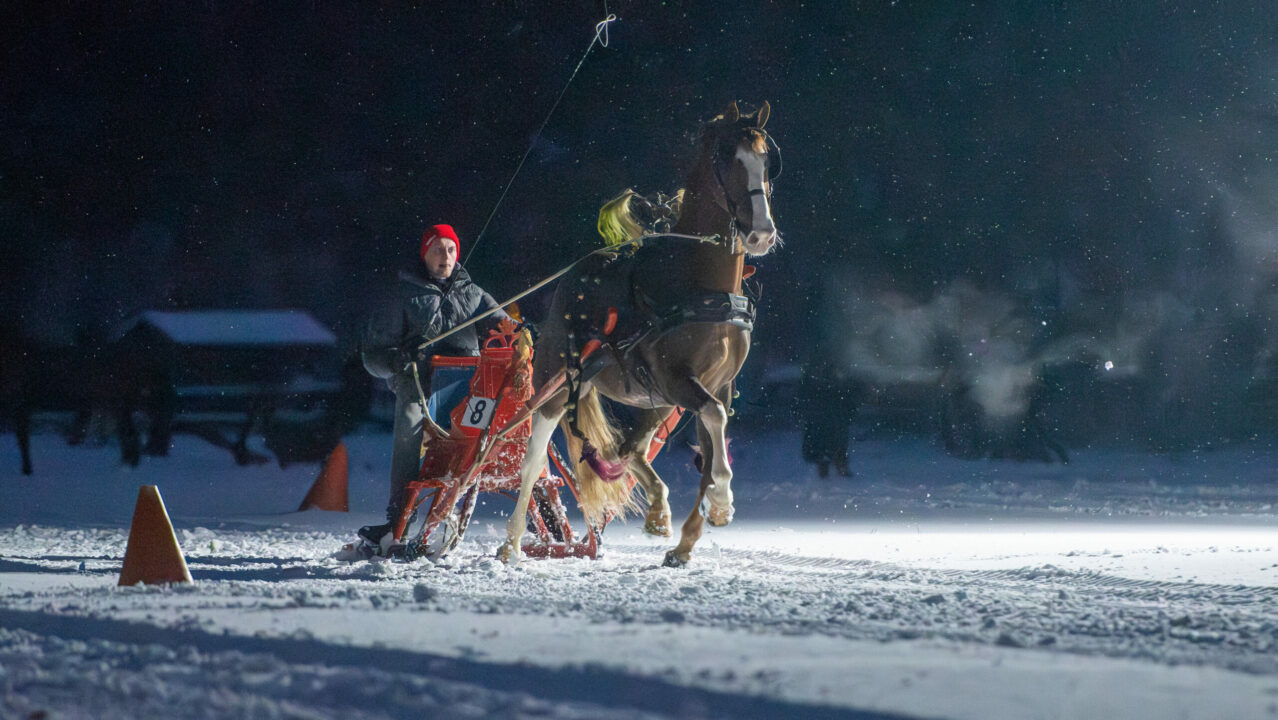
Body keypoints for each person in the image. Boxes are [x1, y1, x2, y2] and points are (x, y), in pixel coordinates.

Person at [359, 224, 511, 546]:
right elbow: (372, 357)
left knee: (502, 417)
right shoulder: (402, 293)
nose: (446, 257)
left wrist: (524, 332)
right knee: (409, 426)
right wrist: (397, 360)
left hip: (466, 387)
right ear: (425, 253)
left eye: (452, 250)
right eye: (439, 250)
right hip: (420, 387)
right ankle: (397, 516)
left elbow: (504, 325)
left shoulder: (473, 293)